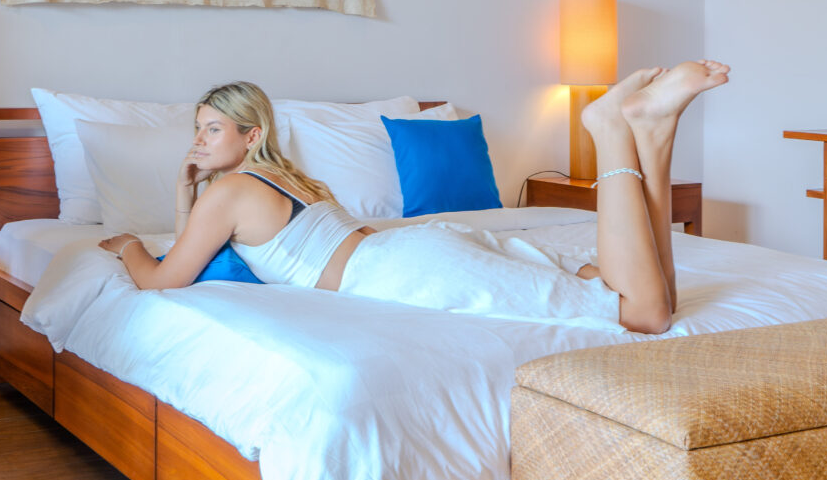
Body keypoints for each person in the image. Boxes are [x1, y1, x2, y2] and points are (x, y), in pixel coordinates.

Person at [99, 67, 728, 334]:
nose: (198, 140)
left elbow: (164, 278)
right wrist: (186, 192)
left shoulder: (231, 193)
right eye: (198, 128)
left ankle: (608, 128)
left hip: (409, 269)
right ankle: (654, 136)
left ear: (251, 135)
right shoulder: (290, 180)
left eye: (212, 129)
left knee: (643, 315)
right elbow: (192, 249)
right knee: (640, 293)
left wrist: (128, 245)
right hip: (419, 249)